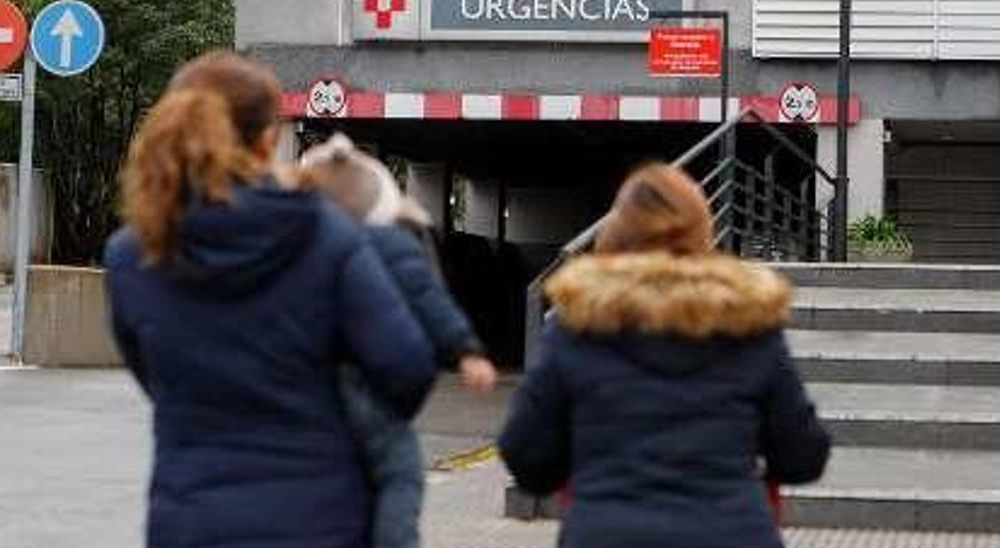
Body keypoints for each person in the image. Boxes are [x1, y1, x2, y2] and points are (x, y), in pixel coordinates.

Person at [104, 51, 437, 548]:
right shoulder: (326, 233)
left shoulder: (134, 252)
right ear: (267, 139)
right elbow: (408, 368)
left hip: (190, 523)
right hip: (322, 520)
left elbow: (152, 375)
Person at [497, 162, 830, 548]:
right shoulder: (748, 326)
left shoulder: (576, 326)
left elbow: (526, 456)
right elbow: (804, 457)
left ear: (616, 233)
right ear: (703, 231)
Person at [300, 134, 499, 548]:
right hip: (370, 388)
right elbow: (430, 298)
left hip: (307, 392)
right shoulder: (394, 243)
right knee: (399, 473)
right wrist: (467, 351)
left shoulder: (296, 247)